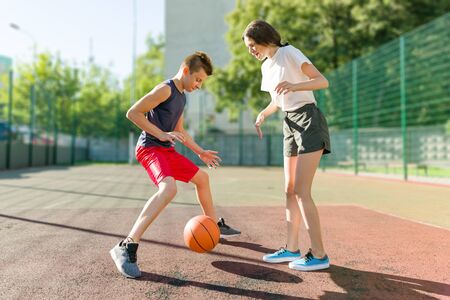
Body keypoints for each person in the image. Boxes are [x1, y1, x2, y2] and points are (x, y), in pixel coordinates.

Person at [110, 51, 240, 278]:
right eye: (198, 79)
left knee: (202, 178)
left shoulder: (183, 96)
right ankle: (126, 245)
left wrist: (200, 152)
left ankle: (212, 225)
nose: (199, 85)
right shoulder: (165, 89)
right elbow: (133, 113)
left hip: (165, 150)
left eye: (202, 82)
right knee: (169, 189)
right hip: (149, 148)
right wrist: (161, 134)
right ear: (186, 70)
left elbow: (179, 131)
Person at [242, 20, 331, 271]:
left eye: (252, 45)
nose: (251, 51)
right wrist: (264, 113)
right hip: (289, 123)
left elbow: (322, 81)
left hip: (309, 119)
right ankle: (291, 248)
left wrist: (295, 85)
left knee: (302, 190)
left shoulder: (289, 53)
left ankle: (320, 254)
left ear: (264, 38)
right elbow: (278, 100)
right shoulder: (266, 67)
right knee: (289, 189)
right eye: (248, 47)